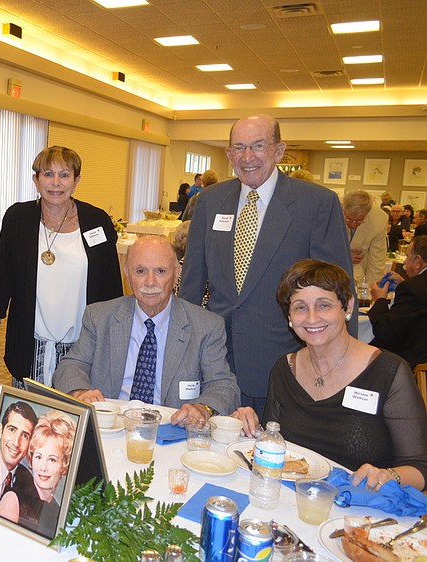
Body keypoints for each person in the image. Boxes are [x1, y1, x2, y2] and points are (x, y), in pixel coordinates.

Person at [179, 114, 354, 413]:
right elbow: (193, 280)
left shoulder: (316, 203)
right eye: (239, 147)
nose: (247, 157)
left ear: (279, 150)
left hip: (284, 362)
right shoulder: (210, 201)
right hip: (215, 359)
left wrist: (343, 361)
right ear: (228, 153)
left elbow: (338, 288)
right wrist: (181, 346)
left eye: (258, 146)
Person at [233, 259, 427, 490]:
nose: (312, 318)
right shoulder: (284, 370)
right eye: (300, 307)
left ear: (348, 307)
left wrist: (387, 476)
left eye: (324, 305)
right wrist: (249, 426)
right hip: (292, 502)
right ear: (289, 317)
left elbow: (420, 467)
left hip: (360, 512)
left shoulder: (388, 372)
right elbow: (275, 446)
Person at [53, 235, 239, 424]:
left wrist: (202, 407)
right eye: (140, 271)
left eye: (160, 271)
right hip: (111, 427)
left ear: (176, 274)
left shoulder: (206, 326)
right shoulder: (99, 316)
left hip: (172, 431)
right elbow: (71, 366)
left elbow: (223, 385)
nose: (150, 282)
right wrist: (80, 392)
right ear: (127, 273)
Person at [0, 145, 123, 388]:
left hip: (83, 346)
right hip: (30, 343)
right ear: (36, 180)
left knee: (73, 420)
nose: (56, 183)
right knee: (29, 418)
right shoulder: (18, 218)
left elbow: (111, 286)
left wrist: (114, 341)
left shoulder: (97, 221)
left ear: (76, 180)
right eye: (48, 174)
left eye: (65, 175)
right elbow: (1, 278)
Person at [0, 410, 76, 538]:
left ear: (64, 464)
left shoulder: (57, 508)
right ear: (31, 459)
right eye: (38, 457)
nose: (43, 468)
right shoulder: (14, 499)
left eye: (52, 459)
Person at [369, 235, 427, 368]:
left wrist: (380, 300)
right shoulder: (414, 287)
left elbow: (385, 331)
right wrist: (406, 284)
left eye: (407, 257)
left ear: (418, 261)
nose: (405, 262)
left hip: (411, 362)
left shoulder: (411, 289)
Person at [0, 401, 40, 517]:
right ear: (0, 430)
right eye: (12, 430)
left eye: (25, 436)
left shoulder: (27, 479)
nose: (16, 443)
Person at [344, 190, 388, 285]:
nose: (353, 224)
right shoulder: (331, 212)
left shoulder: (379, 220)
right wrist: (344, 255)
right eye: (349, 219)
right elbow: (321, 247)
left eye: (359, 220)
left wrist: (372, 288)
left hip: (358, 270)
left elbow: (377, 258)